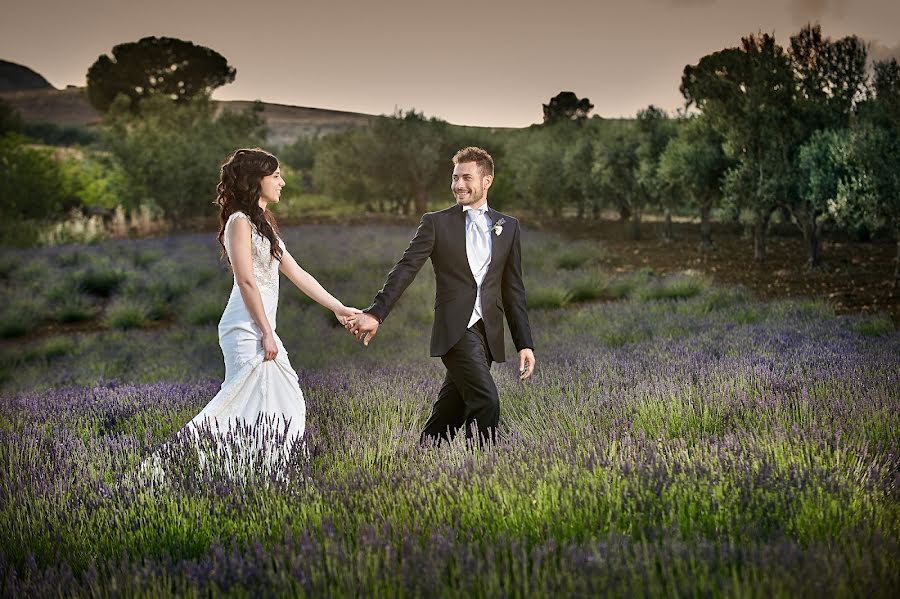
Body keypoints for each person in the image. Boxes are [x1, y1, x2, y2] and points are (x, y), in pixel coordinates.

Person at [346, 146, 535, 446]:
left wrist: (524, 342)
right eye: (455, 177)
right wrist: (375, 312)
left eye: (467, 178)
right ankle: (483, 475)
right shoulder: (436, 222)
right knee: (486, 401)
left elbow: (513, 288)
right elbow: (406, 268)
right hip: (455, 330)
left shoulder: (507, 226)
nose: (458, 184)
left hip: (489, 333)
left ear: (487, 181)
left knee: (451, 408)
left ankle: (421, 456)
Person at [187, 148, 360, 454]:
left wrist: (338, 307)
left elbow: (298, 273)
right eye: (276, 176)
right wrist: (266, 331)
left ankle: (262, 471)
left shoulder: (262, 223)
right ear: (257, 180)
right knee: (245, 406)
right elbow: (245, 280)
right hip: (245, 327)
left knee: (279, 401)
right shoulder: (238, 221)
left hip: (262, 326)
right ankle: (211, 464)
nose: (282, 183)